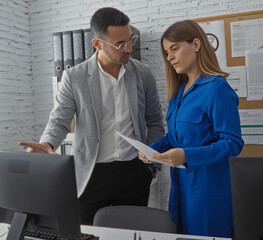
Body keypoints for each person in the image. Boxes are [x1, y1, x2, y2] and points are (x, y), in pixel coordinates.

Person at [18, 7, 164, 225]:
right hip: (91, 173)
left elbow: (154, 121)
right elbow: (59, 120)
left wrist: (153, 162)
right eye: (120, 44)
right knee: (88, 233)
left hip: (134, 171)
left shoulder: (143, 73)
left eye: (130, 40)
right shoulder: (74, 77)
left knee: (131, 232)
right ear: (97, 44)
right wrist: (48, 143)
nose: (129, 48)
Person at [139, 20, 244, 238]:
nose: (170, 57)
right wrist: (153, 150)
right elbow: (177, 138)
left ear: (196, 44)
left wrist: (186, 155)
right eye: (167, 52)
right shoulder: (179, 93)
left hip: (209, 191)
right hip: (180, 190)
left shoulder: (217, 88)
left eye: (175, 48)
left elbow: (232, 143)